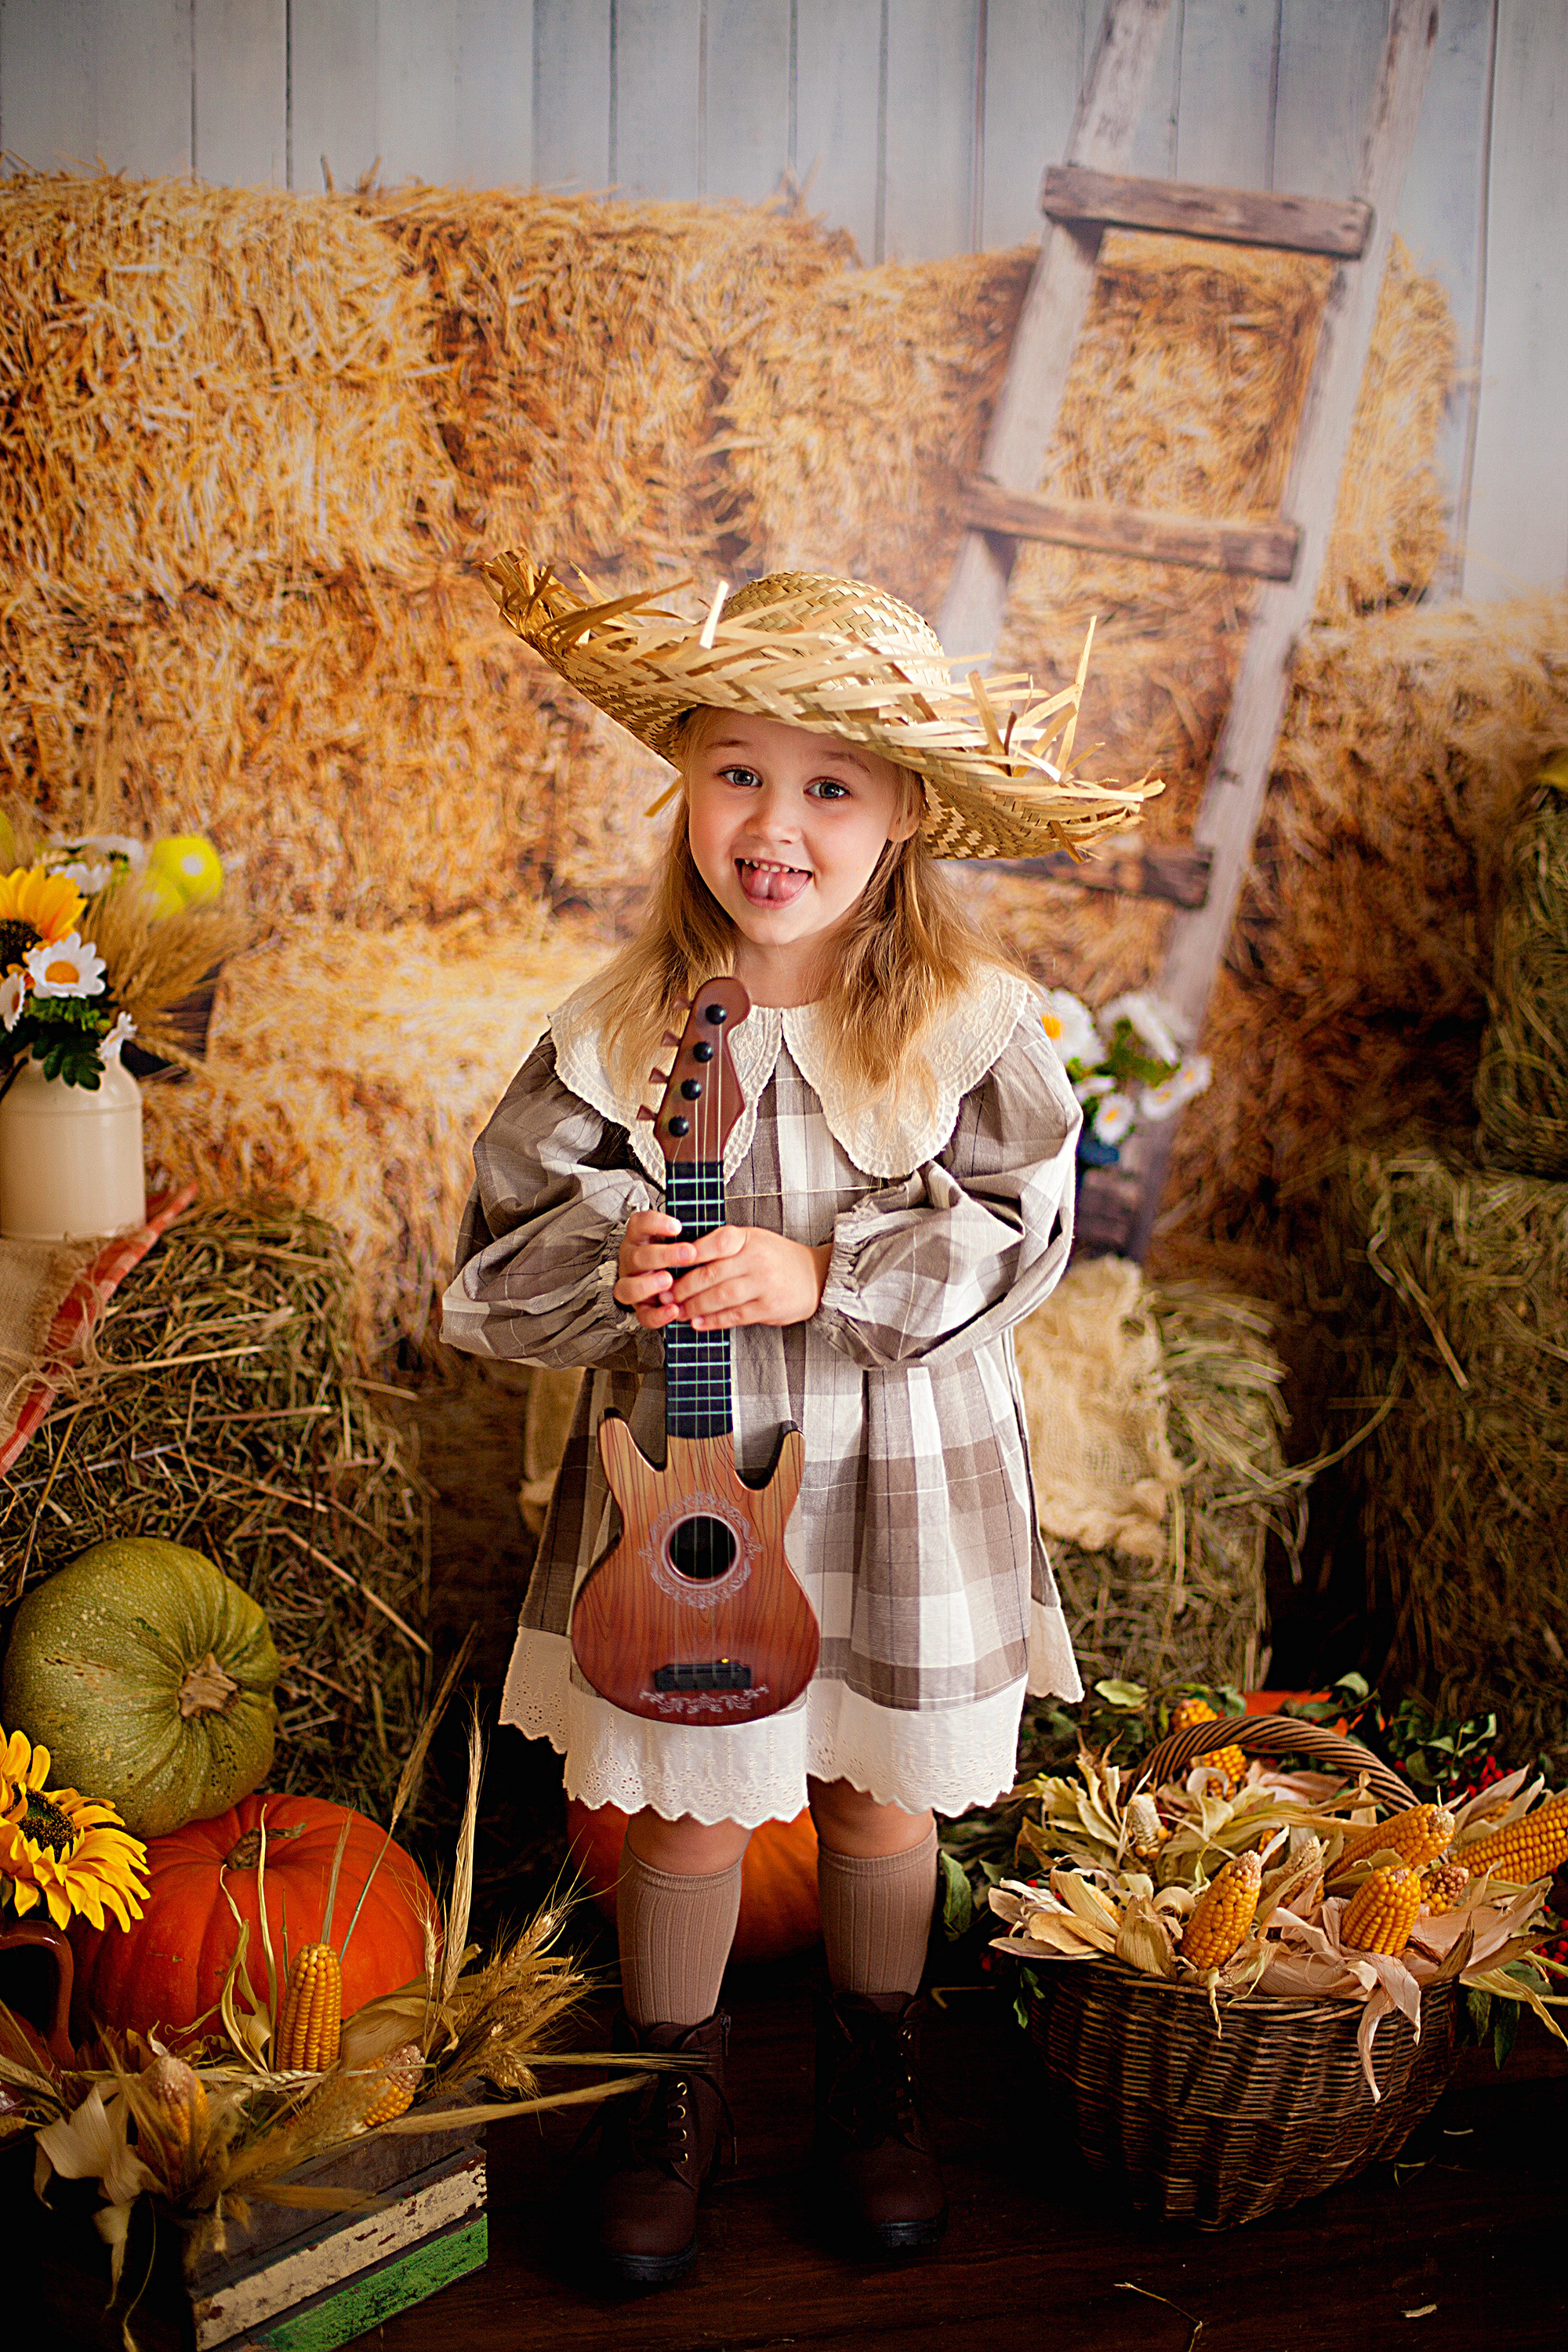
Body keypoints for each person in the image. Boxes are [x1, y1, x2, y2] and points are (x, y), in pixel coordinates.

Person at [442, 558, 1152, 2282]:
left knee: (877, 1801)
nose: (776, 822)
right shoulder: (618, 1028)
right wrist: (613, 1261)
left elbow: (1020, 1227)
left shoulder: (968, 1025)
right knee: (687, 1799)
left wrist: (824, 1271)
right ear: (684, 777)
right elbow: (492, 1261)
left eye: (829, 784)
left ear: (906, 813)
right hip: (686, 1480)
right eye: (737, 770)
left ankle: (872, 2074)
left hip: (895, 1470)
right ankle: (670, 2091)